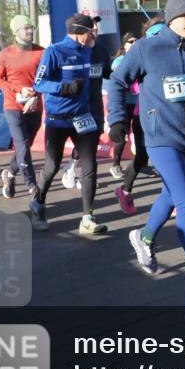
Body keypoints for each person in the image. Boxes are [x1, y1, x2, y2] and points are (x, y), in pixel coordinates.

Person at [107, 0, 185, 322]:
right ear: (171, 17)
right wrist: (117, 119)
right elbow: (117, 80)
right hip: (160, 137)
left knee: (171, 195)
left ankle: (143, 236)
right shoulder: (149, 47)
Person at [30, 14, 107, 235]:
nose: (94, 34)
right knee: (52, 166)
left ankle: (87, 218)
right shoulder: (54, 51)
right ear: (78, 32)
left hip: (82, 116)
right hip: (58, 119)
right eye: (91, 31)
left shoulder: (89, 50)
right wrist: (64, 89)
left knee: (90, 167)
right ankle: (37, 204)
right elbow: (39, 82)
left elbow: (105, 71)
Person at [113, 16, 165, 214]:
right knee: (143, 158)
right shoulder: (140, 54)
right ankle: (124, 190)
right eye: (156, 34)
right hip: (144, 115)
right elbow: (120, 80)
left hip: (169, 115)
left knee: (166, 158)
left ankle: (173, 199)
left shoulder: (173, 51)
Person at [0, 15, 45, 200]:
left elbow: (47, 78)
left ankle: (10, 174)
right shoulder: (5, 54)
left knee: (26, 146)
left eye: (31, 27)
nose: (30, 31)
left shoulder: (42, 52)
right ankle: (32, 186)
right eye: (26, 28)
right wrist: (19, 89)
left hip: (35, 106)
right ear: (16, 32)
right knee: (21, 145)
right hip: (13, 106)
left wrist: (36, 95)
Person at [60, 30, 111, 192]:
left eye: (96, 27)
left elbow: (108, 73)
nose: (94, 30)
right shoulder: (74, 51)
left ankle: (82, 173)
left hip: (96, 104)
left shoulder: (102, 51)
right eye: (91, 27)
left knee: (93, 141)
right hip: (78, 105)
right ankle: (74, 169)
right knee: (83, 142)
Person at [108, 32, 139, 180]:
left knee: (141, 134)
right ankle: (115, 165)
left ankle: (140, 164)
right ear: (124, 45)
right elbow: (119, 81)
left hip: (139, 102)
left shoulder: (141, 57)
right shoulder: (119, 61)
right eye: (130, 41)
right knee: (122, 135)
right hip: (124, 103)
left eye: (135, 41)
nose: (134, 43)